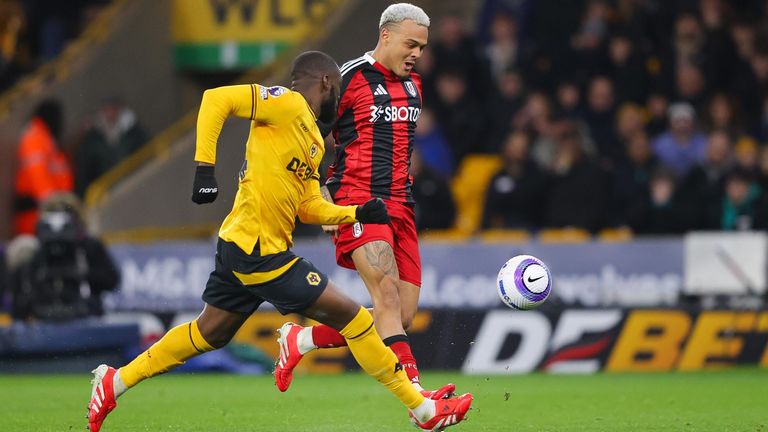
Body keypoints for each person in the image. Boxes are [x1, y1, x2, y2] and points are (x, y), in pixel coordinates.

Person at [86, 51, 472, 432]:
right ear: (326, 82)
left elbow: (308, 207)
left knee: (210, 333)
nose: (339, 100)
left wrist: (356, 214)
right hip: (259, 251)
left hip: (243, 246)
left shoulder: (314, 141)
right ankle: (422, 408)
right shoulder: (284, 102)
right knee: (355, 318)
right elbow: (215, 99)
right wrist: (205, 168)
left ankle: (115, 382)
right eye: (337, 90)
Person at [273, 3, 454, 402]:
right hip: (357, 200)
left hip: (402, 207)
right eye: (411, 44)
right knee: (385, 297)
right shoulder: (349, 77)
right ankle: (420, 400)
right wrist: (319, 192)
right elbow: (305, 133)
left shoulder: (414, 85)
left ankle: (302, 340)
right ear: (385, 35)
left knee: (401, 315)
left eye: (422, 48)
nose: (417, 54)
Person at [13, 99, 73, 235]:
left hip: (49, 215)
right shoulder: (35, 138)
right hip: (37, 217)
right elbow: (39, 177)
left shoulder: (48, 140)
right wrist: (54, 208)